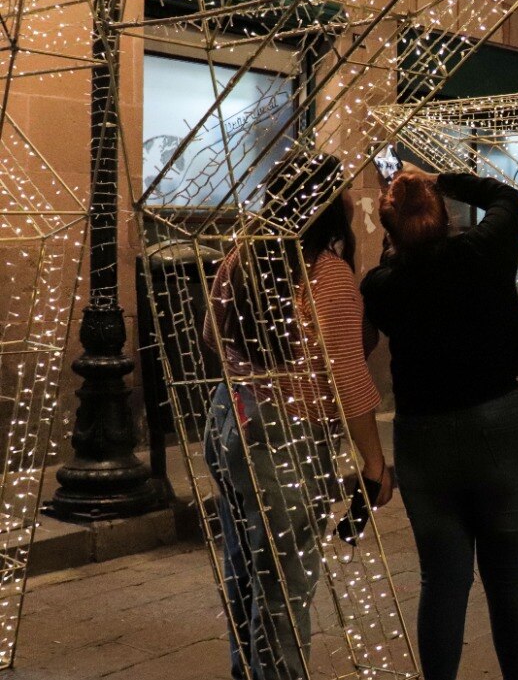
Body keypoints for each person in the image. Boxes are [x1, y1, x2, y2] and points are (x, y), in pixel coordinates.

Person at [203, 153, 394, 680]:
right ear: (325, 205)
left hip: (229, 418)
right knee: (286, 582)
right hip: (289, 435)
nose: (355, 198)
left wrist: (251, 374)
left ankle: (247, 669)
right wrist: (375, 462)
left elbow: (207, 335)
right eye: (344, 190)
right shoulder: (327, 275)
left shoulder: (241, 255)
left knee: (244, 563)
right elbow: (349, 380)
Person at [362, 169, 518, 680]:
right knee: (509, 578)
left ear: (389, 229)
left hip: (424, 437)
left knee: (441, 581)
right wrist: (439, 178)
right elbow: (504, 195)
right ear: (443, 215)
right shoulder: (482, 252)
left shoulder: (380, 286)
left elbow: (393, 270)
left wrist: (396, 231)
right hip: (504, 423)